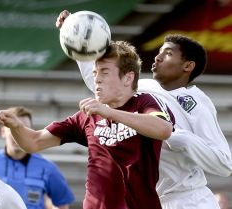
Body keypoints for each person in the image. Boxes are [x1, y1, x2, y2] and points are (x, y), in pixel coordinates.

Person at [57, 11, 232, 209]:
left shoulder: (196, 102)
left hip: (189, 200)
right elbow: (99, 80)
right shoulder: (144, 88)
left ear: (188, 66)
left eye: (168, 53)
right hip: (150, 200)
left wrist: (180, 138)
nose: (157, 57)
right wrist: (78, 33)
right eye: (159, 51)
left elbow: (224, 164)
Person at [0, 40, 175, 209]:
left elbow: (163, 129)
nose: (97, 79)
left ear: (128, 78)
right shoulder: (87, 116)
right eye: (95, 73)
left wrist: (108, 112)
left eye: (104, 72)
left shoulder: (144, 102)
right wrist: (16, 126)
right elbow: (34, 142)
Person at [0, 106, 75, 209]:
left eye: (23, 129)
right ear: (2, 132)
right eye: (12, 129)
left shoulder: (47, 168)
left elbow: (62, 204)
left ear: (30, 133)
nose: (17, 134)